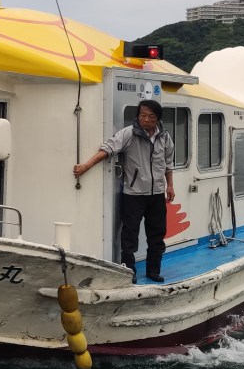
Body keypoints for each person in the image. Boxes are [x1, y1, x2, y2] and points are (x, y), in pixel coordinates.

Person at [73, 99, 175, 283]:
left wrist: (170, 185)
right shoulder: (129, 134)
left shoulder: (165, 137)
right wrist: (86, 166)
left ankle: (153, 270)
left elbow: (168, 163)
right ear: (138, 115)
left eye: (151, 116)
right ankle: (129, 272)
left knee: (157, 234)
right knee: (129, 236)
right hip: (134, 194)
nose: (146, 120)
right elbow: (108, 149)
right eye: (142, 115)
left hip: (157, 194)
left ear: (158, 118)